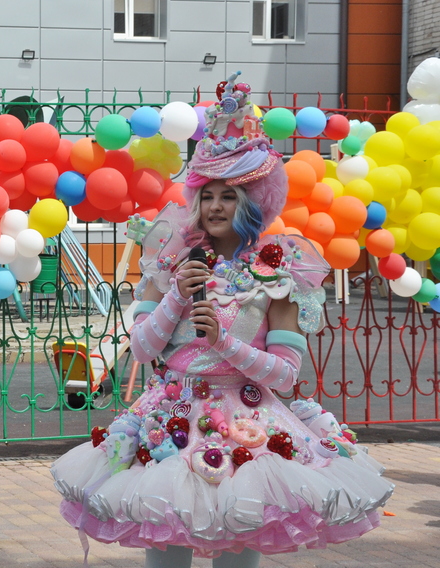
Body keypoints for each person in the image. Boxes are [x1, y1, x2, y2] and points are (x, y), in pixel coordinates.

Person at [51, 77, 394, 568]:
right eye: (207, 194)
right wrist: (175, 297)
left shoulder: (279, 270)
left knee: (238, 548)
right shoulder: (171, 261)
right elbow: (144, 349)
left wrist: (224, 342)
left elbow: (285, 374)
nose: (214, 206)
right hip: (168, 419)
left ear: (252, 202)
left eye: (229, 196)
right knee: (164, 546)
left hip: (248, 423)